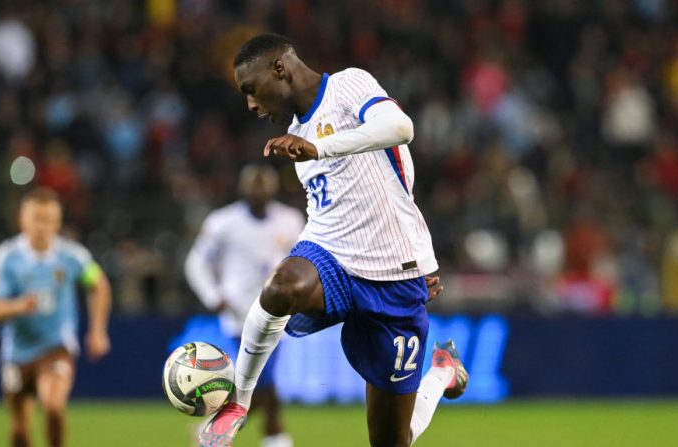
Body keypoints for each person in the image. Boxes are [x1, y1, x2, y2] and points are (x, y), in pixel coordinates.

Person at [200, 33, 468, 447]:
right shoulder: (296, 137)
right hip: (335, 261)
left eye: (251, 91)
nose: (251, 106)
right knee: (282, 286)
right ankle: (239, 400)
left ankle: (441, 372)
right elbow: (329, 211)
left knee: (393, 440)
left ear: (280, 69)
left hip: (394, 278)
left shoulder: (348, 85)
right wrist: (311, 151)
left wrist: (319, 148)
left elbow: (400, 129)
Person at [185, 164, 304, 447]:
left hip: (277, 313)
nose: (259, 191)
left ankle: (217, 428)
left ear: (273, 190)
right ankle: (266, 435)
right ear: (243, 188)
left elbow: (302, 263)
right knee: (262, 381)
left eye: (264, 186)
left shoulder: (290, 221)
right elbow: (196, 262)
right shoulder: (223, 222)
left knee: (261, 382)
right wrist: (213, 296)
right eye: (254, 186)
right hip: (238, 315)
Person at [0, 188, 112, 447]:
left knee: (53, 405)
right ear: (22, 219)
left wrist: (98, 330)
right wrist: (19, 306)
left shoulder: (72, 256)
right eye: (36, 218)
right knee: (20, 429)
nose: (42, 226)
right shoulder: (6, 257)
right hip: (17, 352)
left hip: (56, 347)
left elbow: (98, 285)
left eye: (49, 219)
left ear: (58, 222)